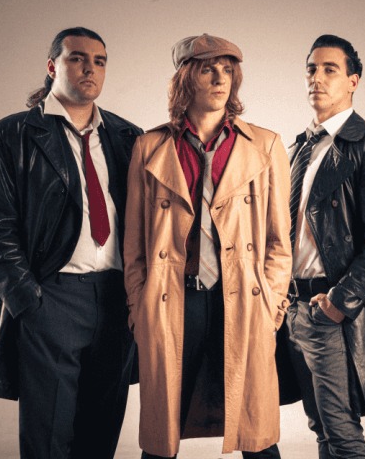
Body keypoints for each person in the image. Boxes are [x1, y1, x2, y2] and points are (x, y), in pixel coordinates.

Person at [0, 27, 142, 459]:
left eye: (99, 61)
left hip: (117, 298)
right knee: (47, 436)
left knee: (100, 434)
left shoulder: (127, 136)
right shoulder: (12, 134)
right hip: (52, 298)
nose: (90, 69)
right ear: (52, 67)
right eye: (77, 58)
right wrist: (30, 302)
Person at [124, 34, 292, 459]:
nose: (220, 78)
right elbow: (135, 246)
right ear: (186, 78)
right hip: (174, 298)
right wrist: (139, 307)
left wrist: (272, 304)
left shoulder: (266, 145)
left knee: (256, 431)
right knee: (162, 435)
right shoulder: (149, 147)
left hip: (245, 300)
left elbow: (279, 241)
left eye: (227, 70)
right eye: (207, 69)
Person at [283, 34, 365, 458]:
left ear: (353, 81)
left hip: (330, 309)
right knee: (322, 429)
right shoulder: (299, 148)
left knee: (341, 431)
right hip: (292, 308)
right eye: (311, 69)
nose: (317, 78)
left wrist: (339, 301)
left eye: (330, 70)